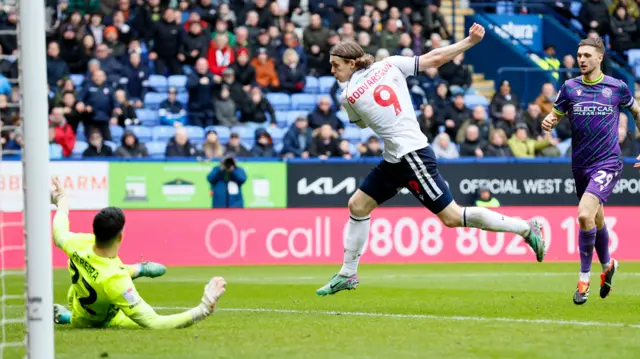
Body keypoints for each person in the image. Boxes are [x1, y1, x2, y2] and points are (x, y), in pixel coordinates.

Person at [316, 23, 546, 297]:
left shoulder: (347, 96)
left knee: (451, 217)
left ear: (352, 63)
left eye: (336, 65)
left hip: (411, 156)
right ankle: (347, 273)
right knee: (358, 204)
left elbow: (363, 127)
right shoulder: (390, 64)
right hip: (396, 157)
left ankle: (525, 228)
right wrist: (469, 42)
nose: (332, 71)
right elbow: (434, 58)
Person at [49, 178, 227, 328]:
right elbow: (155, 322)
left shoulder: (78, 242)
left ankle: (66, 316)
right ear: (120, 236)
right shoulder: (115, 280)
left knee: (97, 283)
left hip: (80, 300)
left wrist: (62, 200)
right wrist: (204, 308)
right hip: (98, 320)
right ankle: (67, 318)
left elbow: (59, 231)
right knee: (128, 320)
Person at [542, 36, 640, 305]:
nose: (581, 60)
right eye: (579, 55)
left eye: (587, 55)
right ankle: (608, 265)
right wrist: (549, 120)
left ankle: (583, 280)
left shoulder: (617, 88)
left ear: (599, 58)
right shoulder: (570, 88)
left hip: (607, 161)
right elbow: (555, 114)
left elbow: (637, 112)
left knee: (584, 215)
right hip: (581, 164)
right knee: (595, 220)